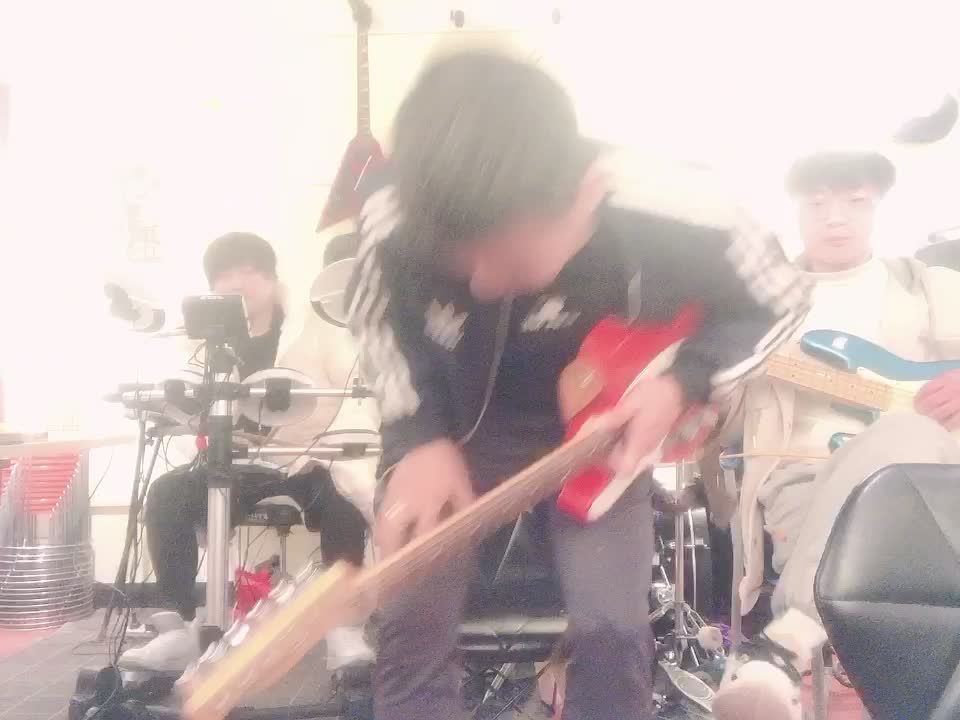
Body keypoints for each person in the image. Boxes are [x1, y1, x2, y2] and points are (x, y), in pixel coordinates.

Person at [345, 48, 812, 720]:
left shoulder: (681, 204)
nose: (481, 284)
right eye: (459, 260)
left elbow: (782, 298)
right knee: (412, 623)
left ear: (586, 194)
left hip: (600, 435)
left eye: (506, 257)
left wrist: (682, 382)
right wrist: (417, 436)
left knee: (613, 630)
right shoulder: (394, 208)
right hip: (451, 428)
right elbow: (374, 319)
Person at [710, 150, 960, 720]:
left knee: (904, 436)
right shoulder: (757, 308)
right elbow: (719, 427)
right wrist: (709, 377)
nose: (836, 217)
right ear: (795, 210)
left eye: (854, 201)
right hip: (804, 476)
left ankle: (783, 648)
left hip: (932, 479)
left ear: (877, 205)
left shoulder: (931, 287)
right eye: (818, 204)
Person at [120, 232, 376, 674]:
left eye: (250, 272)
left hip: (303, 457)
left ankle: (343, 627)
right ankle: (177, 631)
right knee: (166, 493)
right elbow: (189, 398)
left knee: (343, 500)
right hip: (233, 461)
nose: (239, 283)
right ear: (213, 287)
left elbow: (355, 384)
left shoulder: (314, 327)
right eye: (226, 275)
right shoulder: (203, 339)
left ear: (272, 279)